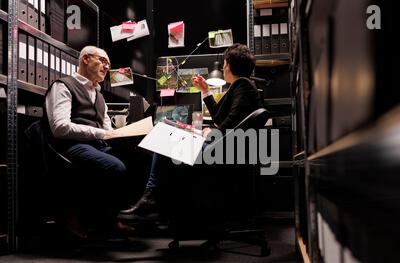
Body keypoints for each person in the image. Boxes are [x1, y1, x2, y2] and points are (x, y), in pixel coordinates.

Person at [118, 43, 263, 220]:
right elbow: (220, 118)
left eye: (225, 63)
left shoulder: (242, 85)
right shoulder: (243, 86)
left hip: (221, 151)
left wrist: (210, 134)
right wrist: (205, 91)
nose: (224, 67)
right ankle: (157, 202)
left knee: (164, 137)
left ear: (229, 64)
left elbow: (230, 125)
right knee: (168, 138)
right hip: (225, 149)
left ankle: (151, 198)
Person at [44, 45, 131, 238]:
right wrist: (100, 134)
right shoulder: (63, 86)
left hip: (98, 145)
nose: (107, 67)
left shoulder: (99, 95)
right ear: (85, 59)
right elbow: (59, 127)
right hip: (72, 146)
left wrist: (126, 135)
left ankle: (112, 216)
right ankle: (97, 219)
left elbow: (108, 130)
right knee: (115, 167)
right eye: (102, 60)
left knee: (141, 157)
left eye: (108, 63)